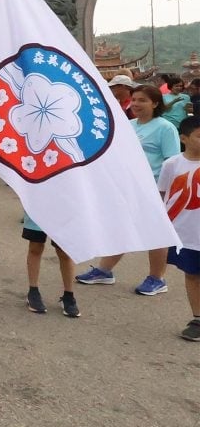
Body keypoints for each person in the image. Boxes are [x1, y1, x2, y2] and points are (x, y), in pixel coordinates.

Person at [76, 85, 180, 295]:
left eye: (142, 100)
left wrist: (164, 193)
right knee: (120, 226)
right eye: (134, 100)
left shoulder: (165, 128)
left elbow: (172, 163)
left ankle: (157, 278)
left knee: (157, 233)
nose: (135, 104)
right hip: (128, 187)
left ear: (155, 103)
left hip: (154, 189)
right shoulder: (128, 125)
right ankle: (105, 271)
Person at [158, 116, 200, 341]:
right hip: (186, 233)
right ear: (184, 138)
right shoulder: (172, 164)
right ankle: (197, 318)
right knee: (192, 275)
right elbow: (162, 195)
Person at [21, 212, 79, 317]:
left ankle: (69, 295)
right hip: (38, 204)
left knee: (64, 251)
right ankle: (33, 291)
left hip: (63, 207)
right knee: (35, 247)